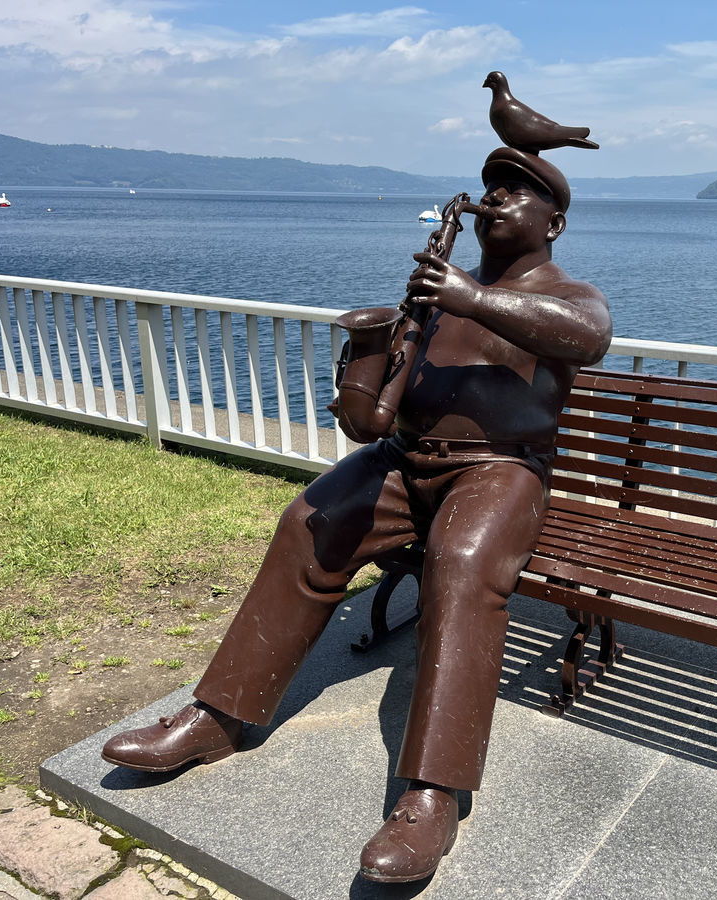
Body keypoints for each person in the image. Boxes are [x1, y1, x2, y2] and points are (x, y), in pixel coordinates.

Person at [99, 146, 612, 884]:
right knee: (308, 520)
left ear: (553, 222)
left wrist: (473, 299)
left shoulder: (567, 292)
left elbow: (589, 339)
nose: (493, 199)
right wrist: (366, 382)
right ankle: (219, 716)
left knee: (461, 565)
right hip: (406, 461)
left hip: (501, 470)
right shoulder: (438, 293)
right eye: (489, 187)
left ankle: (433, 793)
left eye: (514, 192)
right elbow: (377, 416)